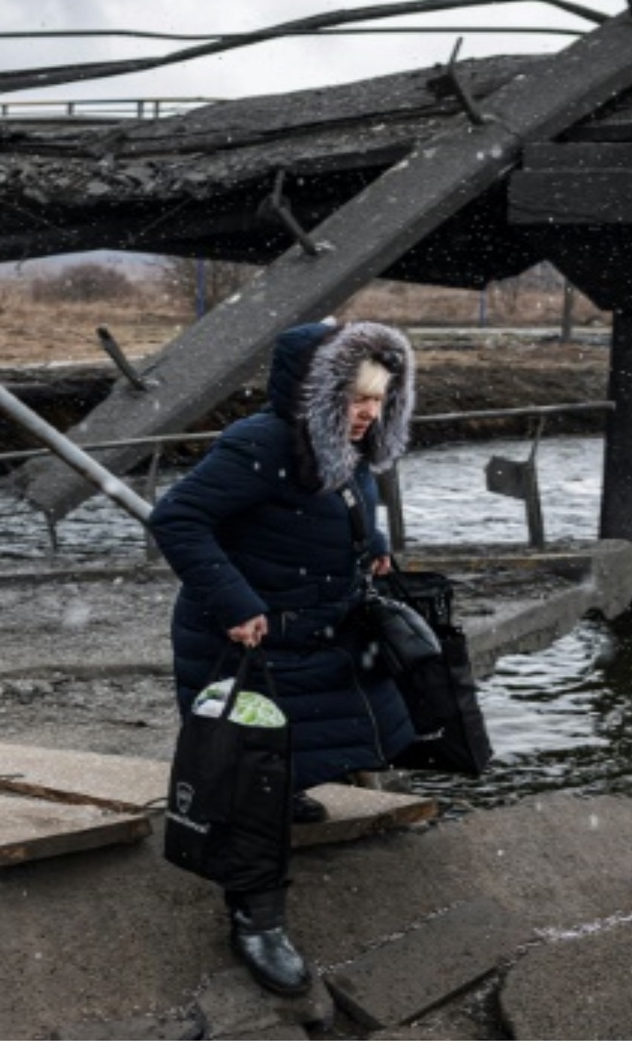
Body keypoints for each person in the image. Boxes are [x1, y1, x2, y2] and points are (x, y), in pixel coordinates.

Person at [149, 319, 418, 996]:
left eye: (381, 400)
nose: (368, 413)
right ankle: (255, 918)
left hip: (310, 633)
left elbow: (349, 499)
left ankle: (286, 787)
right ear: (315, 391)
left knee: (298, 746)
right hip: (243, 639)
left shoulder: (342, 446)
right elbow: (178, 519)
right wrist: (237, 602)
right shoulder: (258, 443)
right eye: (356, 398)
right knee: (244, 775)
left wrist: (372, 538)